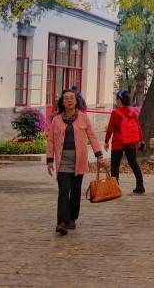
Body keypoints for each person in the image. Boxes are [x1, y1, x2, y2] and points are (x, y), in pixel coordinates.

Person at [47, 89, 105, 235]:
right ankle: (62, 222)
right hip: (63, 161)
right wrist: (49, 160)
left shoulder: (83, 118)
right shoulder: (56, 120)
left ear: (76, 101)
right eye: (66, 98)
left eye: (72, 98)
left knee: (75, 191)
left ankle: (72, 218)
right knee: (63, 191)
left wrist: (99, 155)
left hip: (79, 160)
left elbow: (92, 137)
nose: (69, 100)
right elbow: (51, 141)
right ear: (62, 102)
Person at [104, 89, 145, 193]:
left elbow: (110, 128)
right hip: (130, 141)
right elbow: (138, 127)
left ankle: (115, 187)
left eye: (117, 99)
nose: (116, 101)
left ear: (119, 100)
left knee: (115, 165)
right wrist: (141, 140)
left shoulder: (115, 113)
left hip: (118, 142)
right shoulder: (132, 113)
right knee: (133, 163)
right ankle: (140, 185)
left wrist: (106, 141)